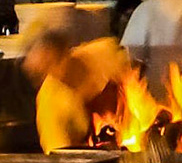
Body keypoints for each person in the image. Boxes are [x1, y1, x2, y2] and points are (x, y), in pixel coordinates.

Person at [23, 19, 130, 151]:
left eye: (53, 60)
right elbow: (60, 155)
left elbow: (142, 90)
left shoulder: (105, 53)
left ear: (64, 49)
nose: (55, 70)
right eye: (44, 68)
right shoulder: (49, 104)